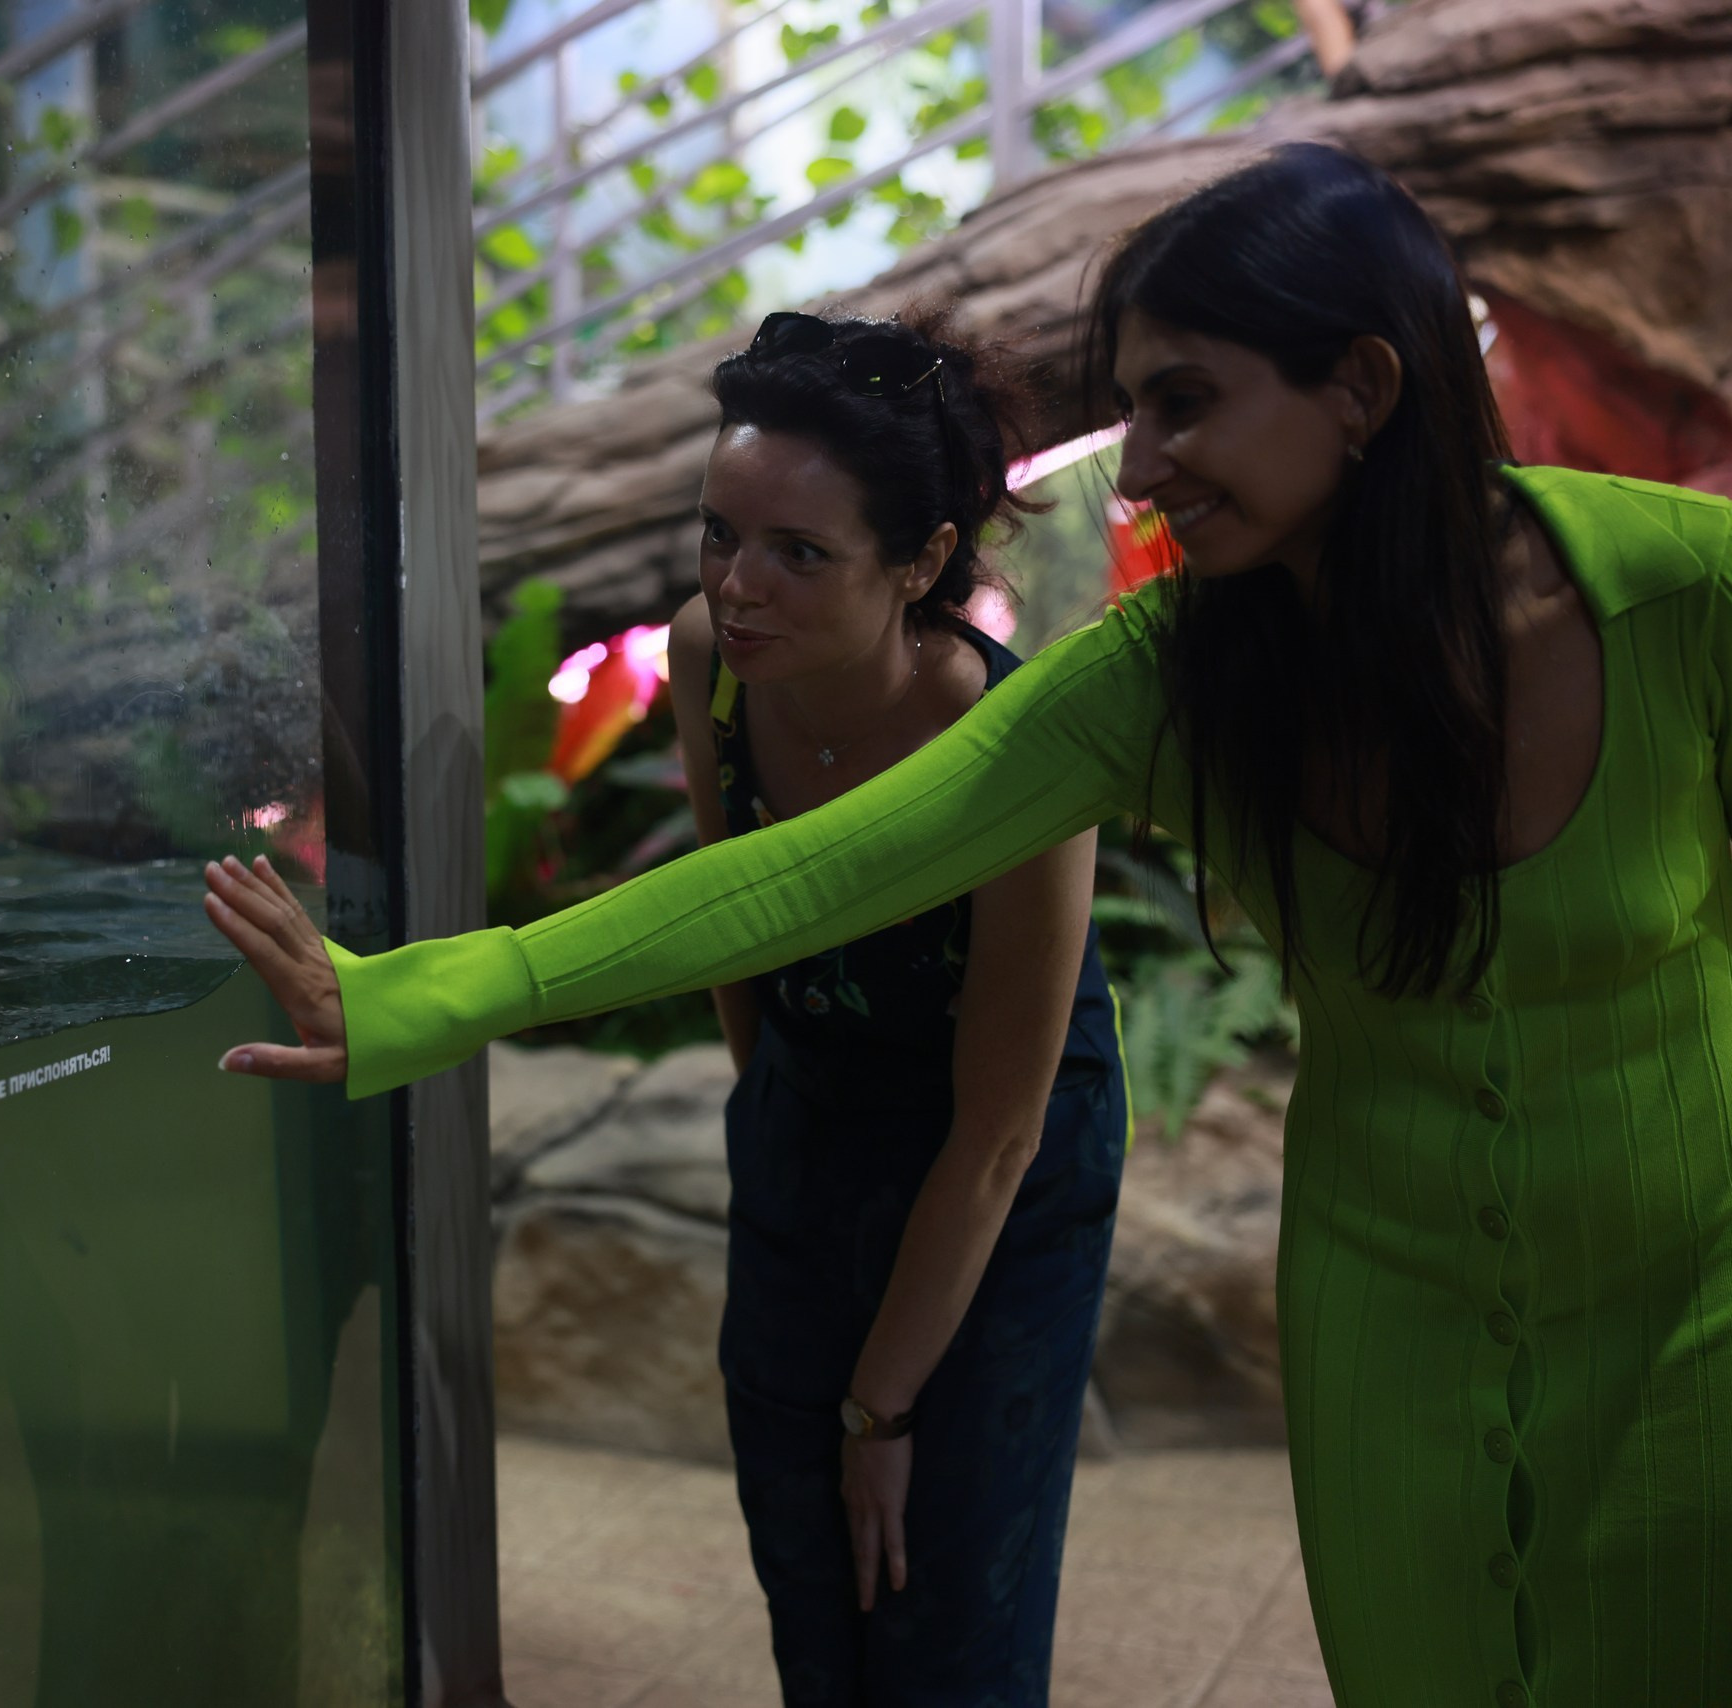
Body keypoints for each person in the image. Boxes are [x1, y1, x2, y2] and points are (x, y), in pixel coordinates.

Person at [203, 141, 1732, 1706]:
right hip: (1388, 1321)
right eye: (1130, 409)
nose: (1133, 468)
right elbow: (811, 876)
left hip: (1696, 1307)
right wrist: (429, 997)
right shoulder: (1164, 674)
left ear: (1359, 386)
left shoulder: (1695, 597)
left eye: (1183, 403)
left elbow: (998, 1115)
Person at [668, 306, 1129, 1703]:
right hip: (816, 1113)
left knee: (943, 1603)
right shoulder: (711, 663)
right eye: (719, 533)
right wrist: (776, 1121)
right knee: (809, 1571)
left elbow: (996, 1133)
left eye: (799, 552)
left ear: (923, 559)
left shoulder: (1013, 756)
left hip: (1000, 1166)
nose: (739, 587)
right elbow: (734, 926)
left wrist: (886, 1402)